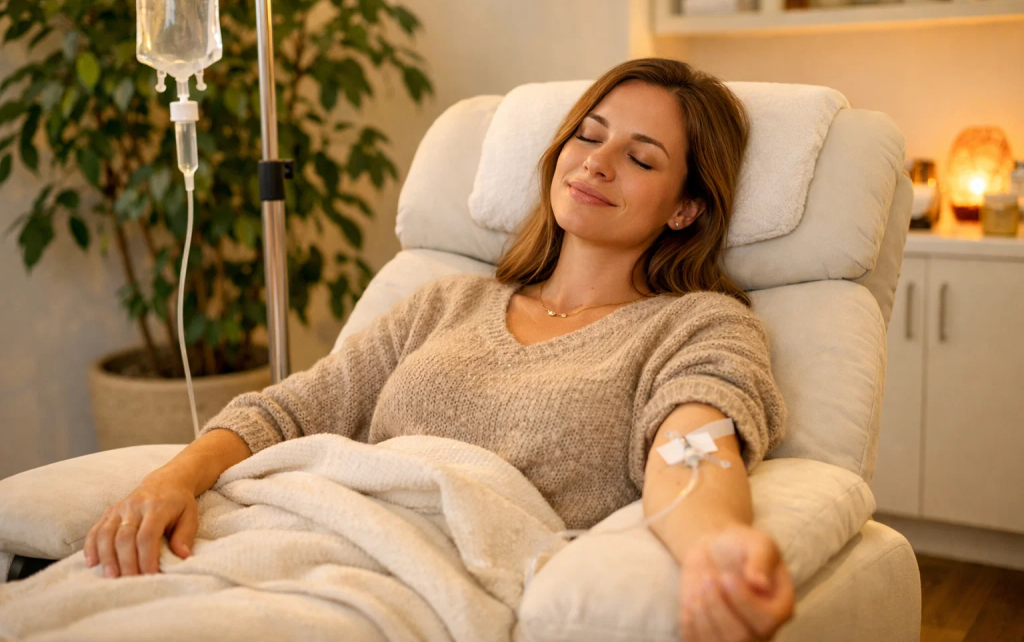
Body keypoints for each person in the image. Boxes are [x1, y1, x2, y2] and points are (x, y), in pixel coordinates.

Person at [85, 58, 794, 641]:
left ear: (685, 208)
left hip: (409, 586)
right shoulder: (446, 301)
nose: (597, 163)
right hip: (287, 531)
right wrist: (173, 478)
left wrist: (714, 547)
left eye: (641, 157)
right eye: (588, 135)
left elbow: (691, 448)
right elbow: (291, 409)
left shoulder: (696, 325)